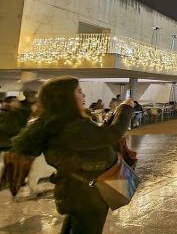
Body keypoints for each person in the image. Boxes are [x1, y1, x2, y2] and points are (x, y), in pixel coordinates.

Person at [10, 76, 135, 234]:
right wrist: (126, 108)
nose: (83, 96)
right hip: (87, 194)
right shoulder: (71, 127)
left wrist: (113, 115)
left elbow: (97, 136)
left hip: (77, 190)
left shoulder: (62, 123)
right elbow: (111, 135)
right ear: (66, 98)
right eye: (79, 92)